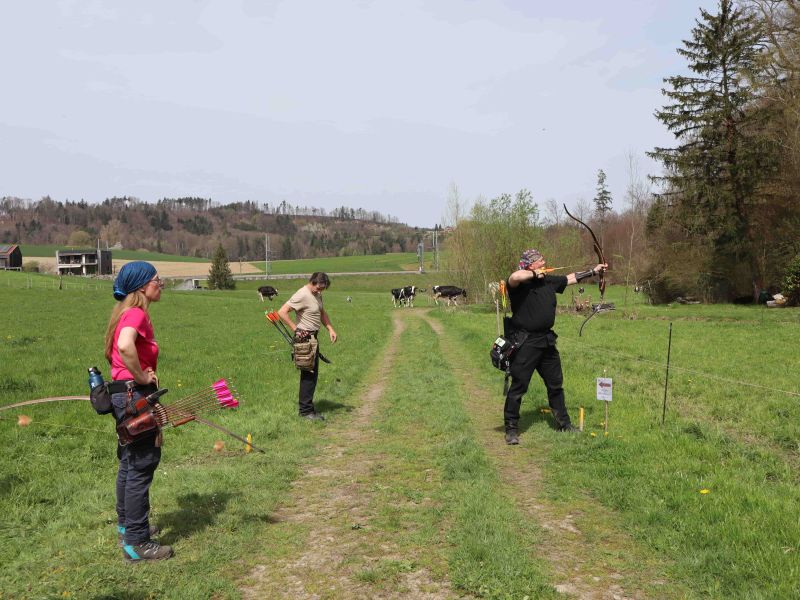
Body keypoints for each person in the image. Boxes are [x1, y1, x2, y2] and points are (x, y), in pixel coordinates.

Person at [104, 261, 173, 562]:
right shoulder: (136, 313)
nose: (162, 284)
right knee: (142, 463)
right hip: (134, 395)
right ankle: (136, 542)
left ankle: (128, 526)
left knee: (130, 462)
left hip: (123, 395)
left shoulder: (124, 312)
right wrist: (143, 378)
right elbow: (124, 345)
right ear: (143, 286)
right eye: (158, 280)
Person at [503, 249, 607, 445]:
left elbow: (570, 278)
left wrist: (593, 271)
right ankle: (511, 428)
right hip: (526, 342)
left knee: (555, 385)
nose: (544, 262)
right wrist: (535, 274)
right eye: (540, 260)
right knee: (518, 386)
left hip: (546, 341)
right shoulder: (518, 285)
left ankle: (564, 424)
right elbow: (515, 275)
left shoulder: (548, 281)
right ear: (531, 264)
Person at [277, 272, 338, 420]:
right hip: (304, 338)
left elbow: (322, 313)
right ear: (312, 282)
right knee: (308, 374)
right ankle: (305, 412)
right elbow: (282, 312)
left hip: (313, 337)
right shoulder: (302, 294)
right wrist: (295, 329)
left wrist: (330, 328)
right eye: (318, 288)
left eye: (322, 289)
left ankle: (308, 408)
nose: (320, 291)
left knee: (312, 374)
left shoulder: (317, 295)